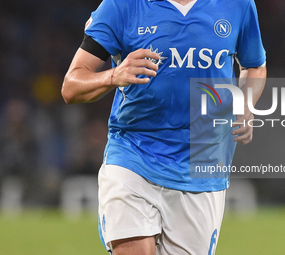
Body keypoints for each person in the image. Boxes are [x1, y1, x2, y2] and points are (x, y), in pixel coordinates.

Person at [61, 0, 267, 254]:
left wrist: (245, 106)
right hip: (133, 156)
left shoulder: (237, 5)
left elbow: (254, 65)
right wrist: (114, 75)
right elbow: (71, 85)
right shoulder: (121, 6)